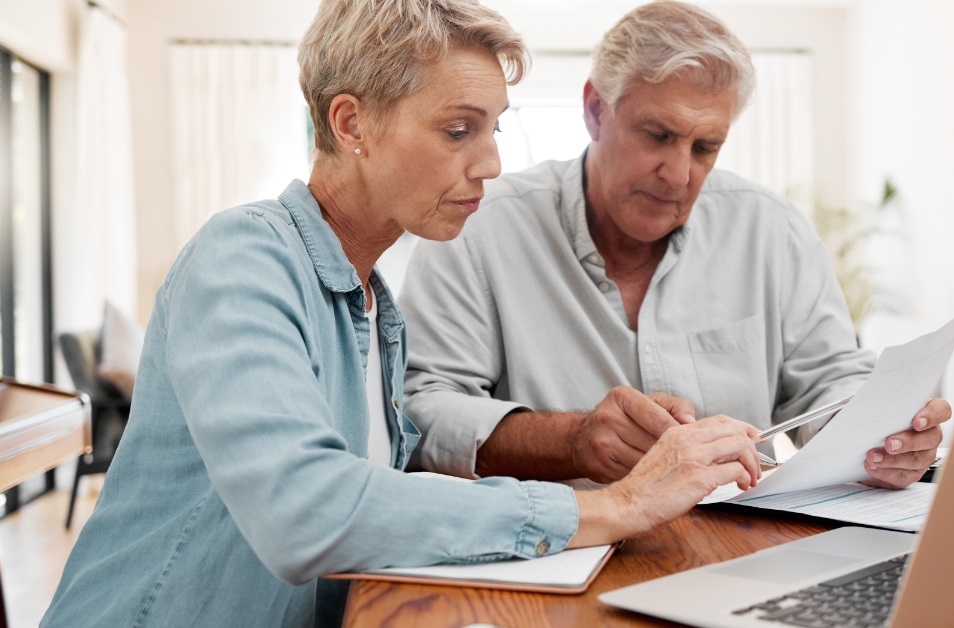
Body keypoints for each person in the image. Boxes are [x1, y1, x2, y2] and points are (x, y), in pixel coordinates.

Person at [41, 1, 762, 626]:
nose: (490, 164)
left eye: (494, 130)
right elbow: (307, 511)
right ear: (351, 123)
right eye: (458, 130)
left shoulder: (372, 305)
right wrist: (614, 507)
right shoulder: (243, 258)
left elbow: (381, 498)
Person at [399, 0, 951, 491]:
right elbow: (421, 412)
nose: (679, 174)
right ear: (594, 109)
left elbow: (831, 381)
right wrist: (573, 440)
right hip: (556, 547)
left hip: (737, 547)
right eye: (658, 135)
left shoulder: (770, 230)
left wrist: (884, 434)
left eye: (706, 146)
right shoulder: (478, 228)